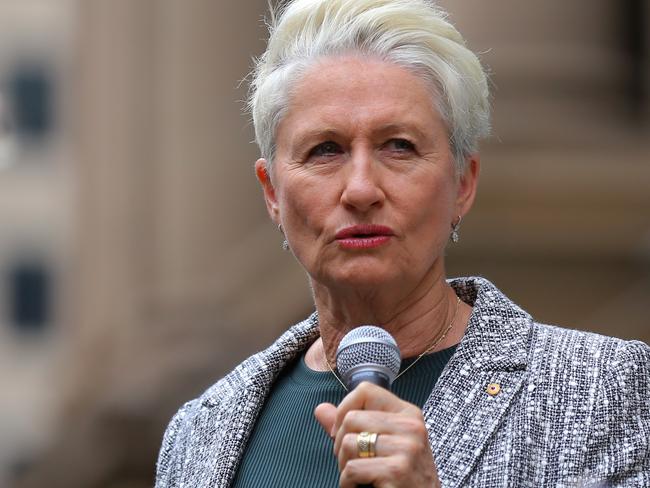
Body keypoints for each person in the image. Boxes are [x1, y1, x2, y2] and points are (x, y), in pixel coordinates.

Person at [155, 0, 650, 486]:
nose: (362, 189)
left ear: (462, 183)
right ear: (273, 195)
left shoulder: (603, 388)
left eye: (399, 146)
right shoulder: (200, 433)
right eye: (325, 150)